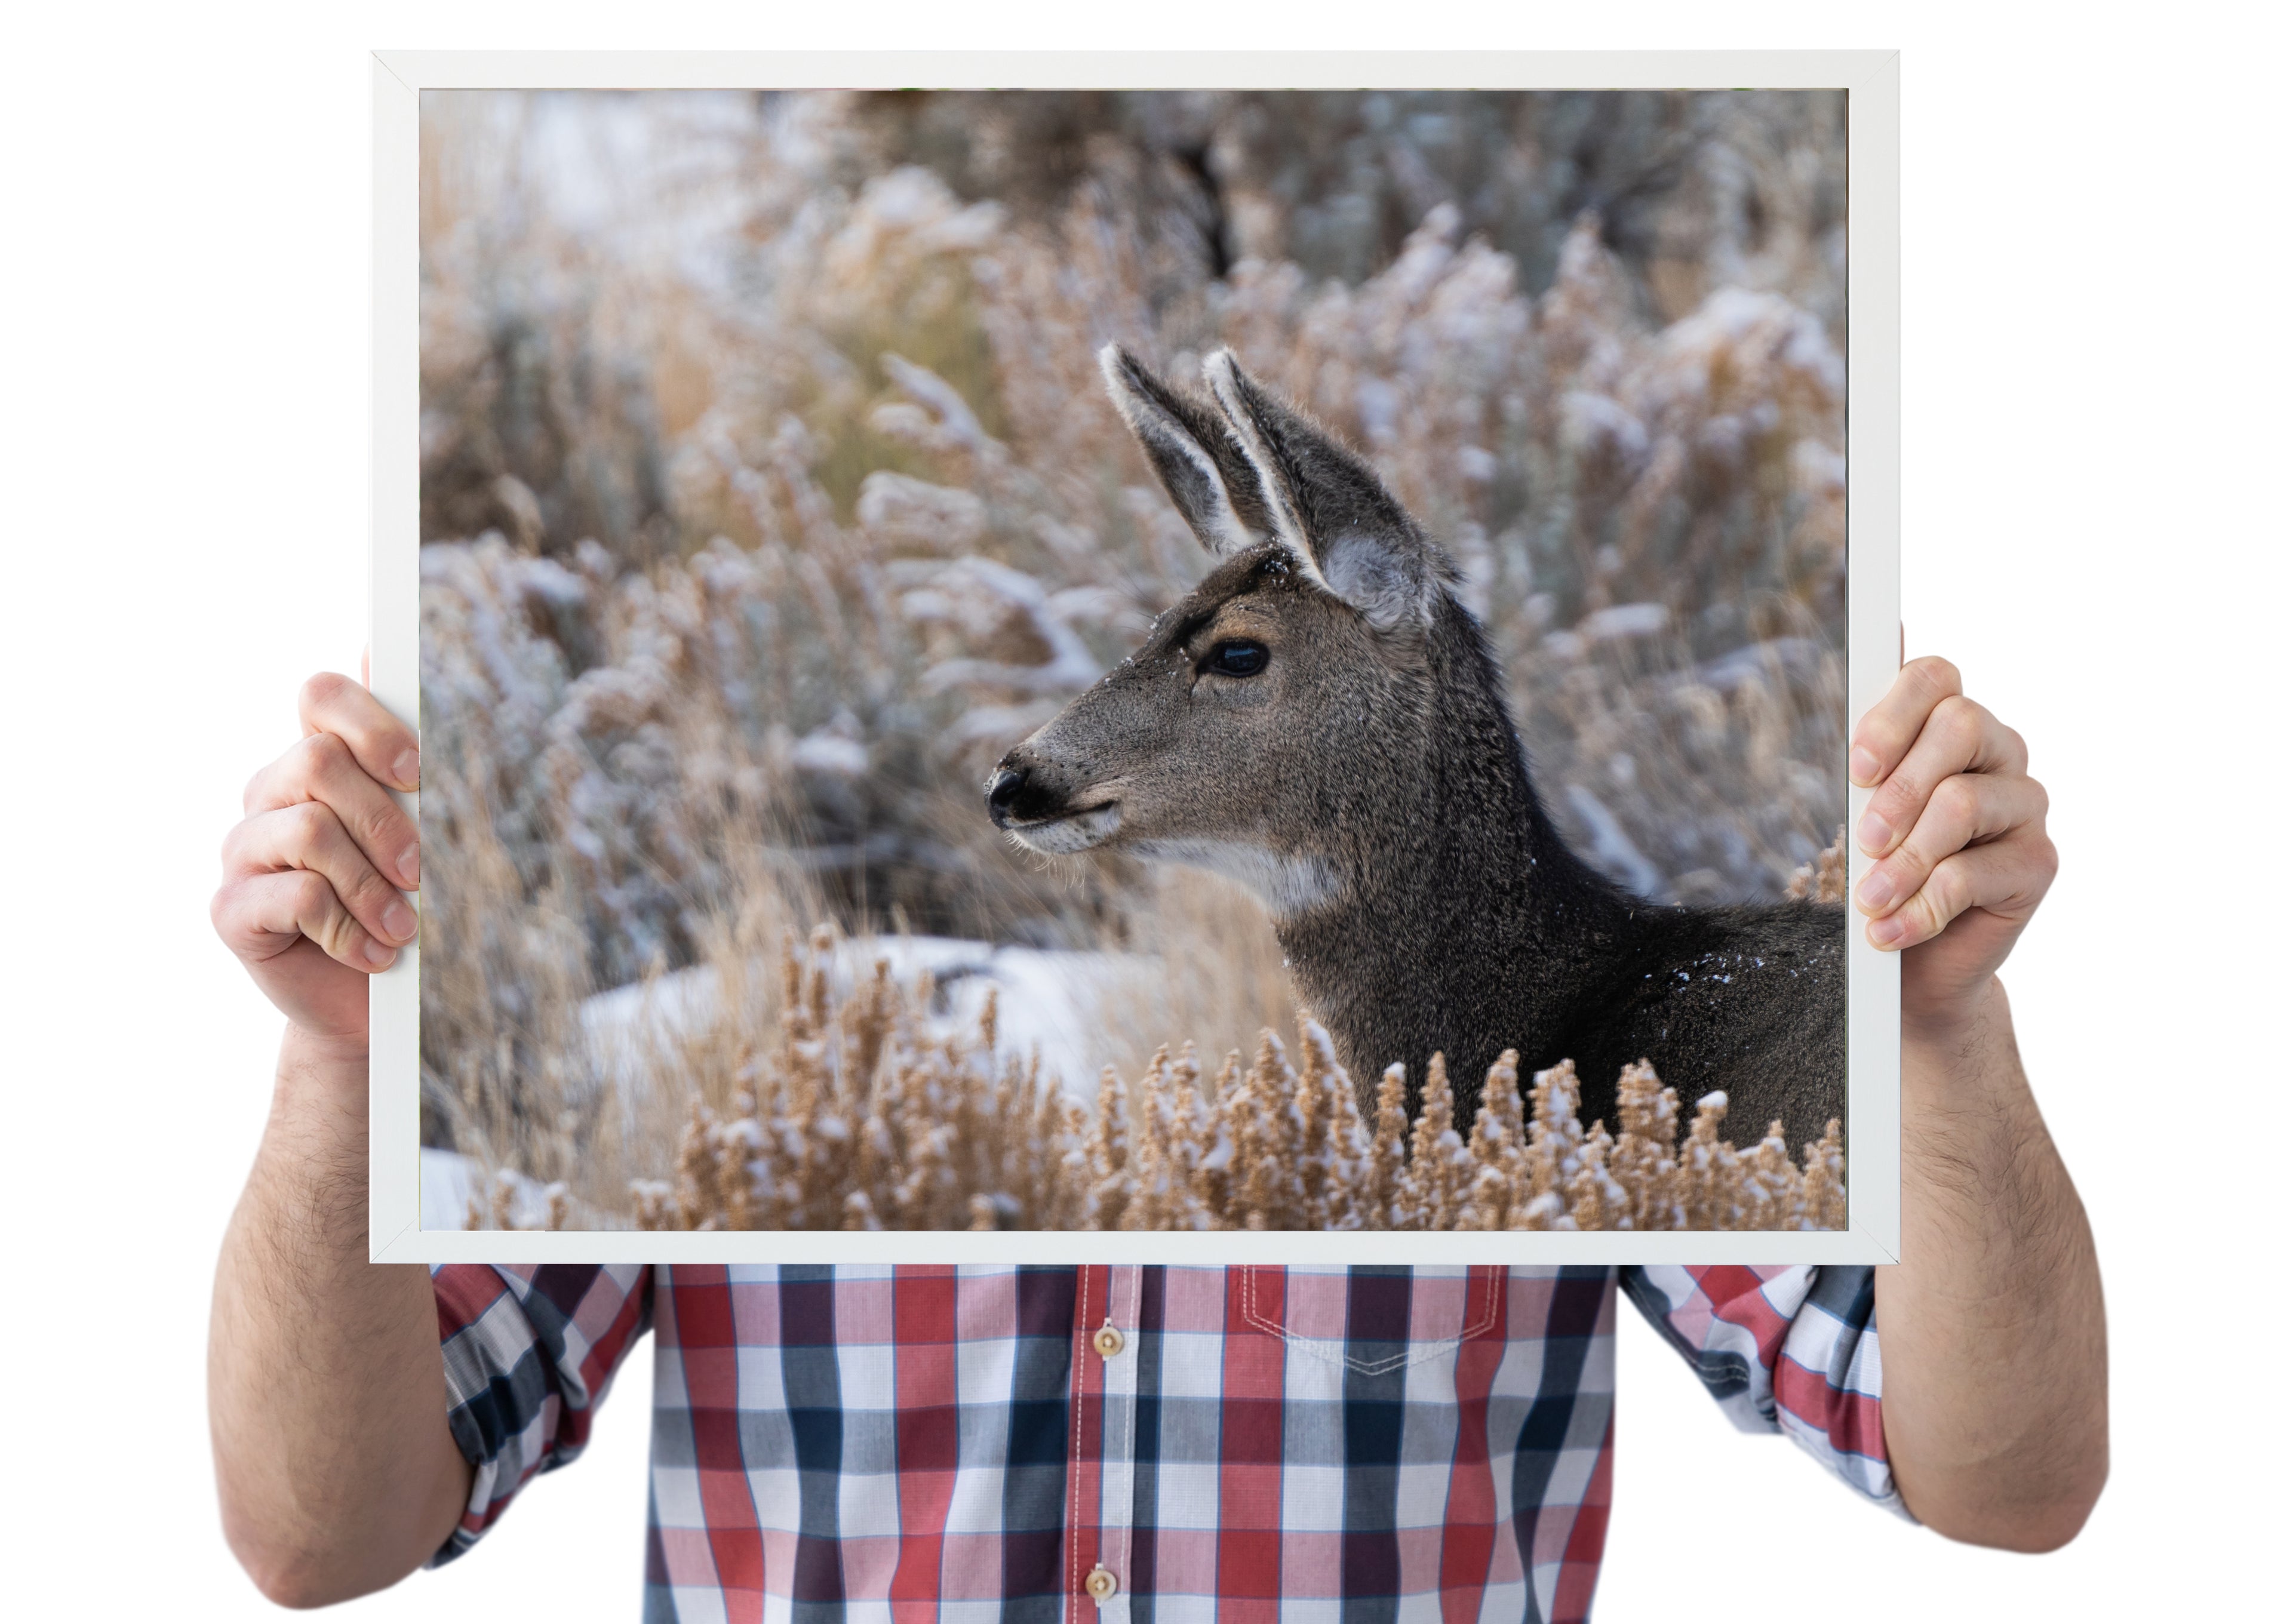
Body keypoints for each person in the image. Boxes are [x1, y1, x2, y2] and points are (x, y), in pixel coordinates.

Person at [208, 656, 2105, 1619]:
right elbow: (321, 1532)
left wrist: (1936, 1037)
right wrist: (336, 1072)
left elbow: (2002, 1479)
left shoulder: (1584, 1043)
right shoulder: (764, 1083)